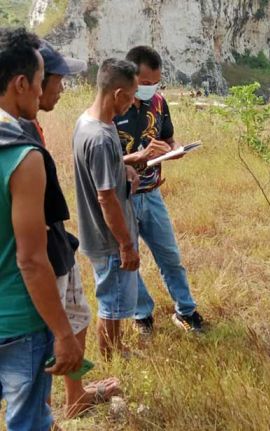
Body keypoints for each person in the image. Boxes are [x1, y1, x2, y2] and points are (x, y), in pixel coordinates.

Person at [23, 40, 120, 418]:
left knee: (77, 318)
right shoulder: (15, 132)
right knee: (48, 336)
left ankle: (75, 396)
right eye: (58, 80)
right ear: (32, 82)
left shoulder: (32, 123)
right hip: (44, 253)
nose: (63, 88)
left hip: (59, 243)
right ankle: (43, 415)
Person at [0, 27, 83, 430]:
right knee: (28, 420)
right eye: (38, 82)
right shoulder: (21, 156)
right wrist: (64, 335)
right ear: (20, 84)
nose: (41, 92)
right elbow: (31, 260)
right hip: (18, 320)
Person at [114, 46, 204, 334]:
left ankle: (186, 311)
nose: (151, 89)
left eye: (156, 83)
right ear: (130, 79)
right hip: (121, 198)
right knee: (129, 260)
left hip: (151, 193)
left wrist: (175, 150)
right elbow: (102, 162)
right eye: (145, 84)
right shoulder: (113, 109)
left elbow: (169, 138)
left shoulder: (159, 103)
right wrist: (137, 158)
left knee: (170, 257)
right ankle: (142, 315)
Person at [73, 58, 140, 359]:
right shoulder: (99, 138)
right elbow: (106, 198)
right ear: (117, 95)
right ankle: (111, 361)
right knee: (111, 305)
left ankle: (117, 348)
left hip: (103, 235)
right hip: (109, 239)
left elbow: (103, 172)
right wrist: (125, 244)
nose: (134, 101)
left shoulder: (91, 121)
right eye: (131, 94)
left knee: (113, 299)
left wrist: (123, 169)